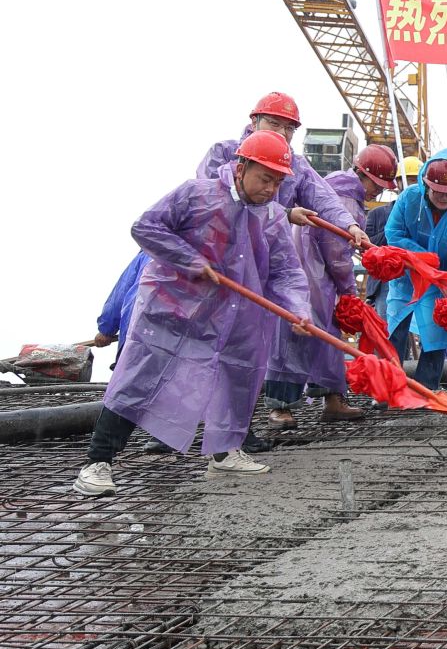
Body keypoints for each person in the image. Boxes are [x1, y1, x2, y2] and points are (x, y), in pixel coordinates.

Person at [74, 131, 311, 496]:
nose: (271, 189)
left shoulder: (272, 218)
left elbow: (287, 272)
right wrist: (190, 260)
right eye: (266, 179)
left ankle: (225, 452)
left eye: (278, 182)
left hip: (233, 319)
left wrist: (298, 309)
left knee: (237, 380)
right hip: (173, 310)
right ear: (241, 167)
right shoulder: (197, 194)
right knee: (138, 381)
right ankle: (97, 463)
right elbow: (146, 227)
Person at [262, 142, 397, 425]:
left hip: (312, 275)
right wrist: (349, 291)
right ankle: (282, 406)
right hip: (313, 277)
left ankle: (332, 400)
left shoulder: (333, 185)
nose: (378, 191)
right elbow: (336, 253)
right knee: (295, 338)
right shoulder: (346, 199)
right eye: (377, 184)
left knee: (326, 340)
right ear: (362, 175)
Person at [196, 92, 369, 248]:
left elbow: (323, 198)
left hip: (266, 254)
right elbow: (215, 202)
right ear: (254, 122)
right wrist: (284, 214)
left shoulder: (298, 166)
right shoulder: (223, 152)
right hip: (218, 248)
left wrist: (350, 225)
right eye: (274, 123)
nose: (282, 132)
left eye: (289, 128)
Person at [381, 146, 447, 390]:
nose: (443, 198)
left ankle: (426, 392)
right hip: (406, 279)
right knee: (394, 333)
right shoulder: (408, 199)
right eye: (438, 191)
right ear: (425, 184)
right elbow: (393, 233)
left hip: (441, 285)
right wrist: (423, 259)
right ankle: (386, 391)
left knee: (436, 338)